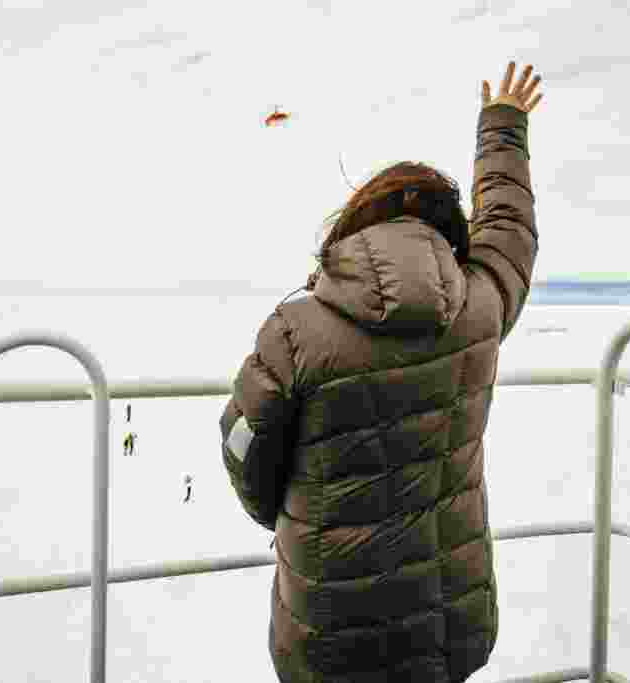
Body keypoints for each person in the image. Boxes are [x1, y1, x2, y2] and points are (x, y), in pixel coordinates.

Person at [218, 61, 542, 683]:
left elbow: (242, 449)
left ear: (356, 222)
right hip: (449, 622)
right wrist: (503, 128)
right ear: (452, 235)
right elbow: (509, 232)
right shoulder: (480, 308)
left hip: (327, 631)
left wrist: (292, 517)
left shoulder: (294, 331)